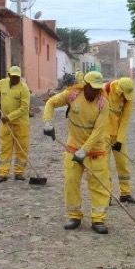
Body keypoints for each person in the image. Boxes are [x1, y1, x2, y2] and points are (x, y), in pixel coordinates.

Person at [43, 70, 111, 234]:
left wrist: (85, 150)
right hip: (73, 148)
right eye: (92, 88)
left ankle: (98, 219)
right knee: (71, 182)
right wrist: (47, 123)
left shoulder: (103, 102)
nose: (94, 92)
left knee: (99, 187)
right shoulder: (72, 94)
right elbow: (50, 103)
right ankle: (74, 216)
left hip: (95, 151)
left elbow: (98, 131)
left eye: (97, 89)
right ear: (85, 85)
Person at [0, 65, 31, 183]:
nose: (16, 79)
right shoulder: (2, 83)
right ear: (9, 75)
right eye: (13, 77)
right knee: (5, 148)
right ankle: (3, 173)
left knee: (22, 149)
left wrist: (9, 117)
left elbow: (24, 108)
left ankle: (19, 173)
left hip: (21, 123)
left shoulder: (24, 88)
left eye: (18, 77)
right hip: (6, 124)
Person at [105, 76, 135, 203]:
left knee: (123, 164)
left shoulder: (128, 100)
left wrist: (119, 140)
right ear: (119, 89)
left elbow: (125, 120)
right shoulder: (104, 90)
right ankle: (106, 194)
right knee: (104, 166)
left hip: (118, 135)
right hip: (103, 135)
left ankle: (125, 193)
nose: (125, 97)